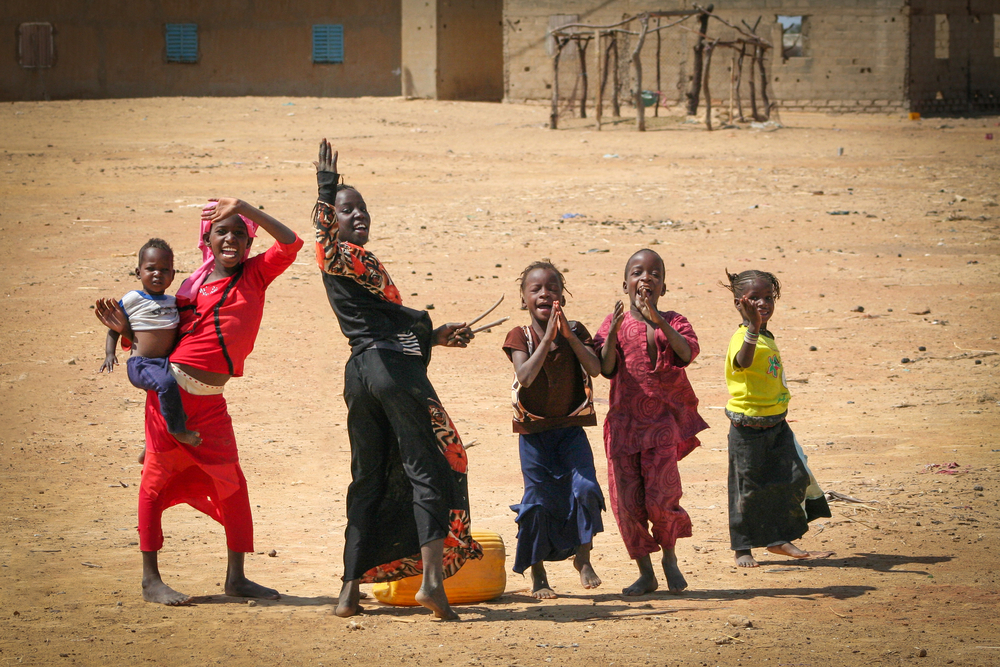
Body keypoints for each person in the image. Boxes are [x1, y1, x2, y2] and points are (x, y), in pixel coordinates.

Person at [95, 198, 303, 605]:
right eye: (222, 231)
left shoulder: (256, 274)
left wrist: (244, 207)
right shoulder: (191, 289)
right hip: (170, 393)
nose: (231, 238)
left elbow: (292, 243)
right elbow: (163, 336)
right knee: (154, 485)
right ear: (207, 240)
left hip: (211, 403)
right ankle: (150, 580)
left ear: (248, 243)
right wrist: (127, 333)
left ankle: (237, 578)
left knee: (233, 485)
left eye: (239, 233)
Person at [312, 138, 482, 620]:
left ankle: (348, 592)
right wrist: (325, 190)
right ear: (335, 218)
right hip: (389, 371)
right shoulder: (340, 255)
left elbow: (384, 324)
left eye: (362, 208)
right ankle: (431, 583)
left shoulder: (359, 264)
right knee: (433, 462)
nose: (358, 215)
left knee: (367, 476)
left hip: (362, 374)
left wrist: (435, 336)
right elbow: (323, 246)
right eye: (347, 210)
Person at [593, 249, 708, 595]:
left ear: (664, 286)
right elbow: (606, 368)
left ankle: (670, 559)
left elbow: (686, 354)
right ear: (625, 282)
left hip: (660, 426)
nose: (646, 278)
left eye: (655, 274)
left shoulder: (674, 320)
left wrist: (656, 319)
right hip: (624, 428)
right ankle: (646, 571)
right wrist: (612, 333)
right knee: (627, 504)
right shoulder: (612, 323)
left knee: (661, 498)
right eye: (638, 272)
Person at [502, 261, 606, 599]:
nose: (545, 294)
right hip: (534, 435)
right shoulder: (521, 336)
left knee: (587, 489)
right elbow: (525, 377)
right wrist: (547, 338)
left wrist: (568, 336)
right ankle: (539, 574)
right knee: (537, 503)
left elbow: (596, 367)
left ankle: (584, 557)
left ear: (563, 295)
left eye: (552, 288)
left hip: (571, 431)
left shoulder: (576, 330)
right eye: (536, 289)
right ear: (524, 299)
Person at [721, 269, 833, 568]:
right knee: (747, 491)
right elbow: (743, 362)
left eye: (768, 297)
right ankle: (742, 547)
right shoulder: (742, 338)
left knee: (791, 478)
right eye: (754, 298)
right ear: (738, 303)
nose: (763, 303)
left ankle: (777, 538)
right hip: (748, 429)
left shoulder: (766, 336)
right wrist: (753, 329)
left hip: (776, 424)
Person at [97, 238, 201, 463]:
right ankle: (177, 432)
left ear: (173, 275)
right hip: (142, 364)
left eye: (164, 270)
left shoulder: (173, 302)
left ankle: (152, 444)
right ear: (138, 272)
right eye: (150, 268)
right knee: (166, 386)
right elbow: (114, 326)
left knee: (173, 399)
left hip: (164, 363)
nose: (157, 274)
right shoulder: (133, 298)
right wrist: (109, 353)